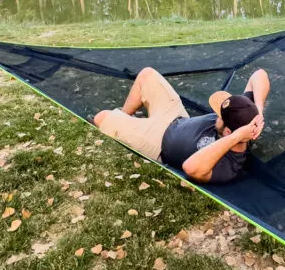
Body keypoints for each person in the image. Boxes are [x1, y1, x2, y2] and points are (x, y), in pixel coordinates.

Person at [93, 67, 269, 184]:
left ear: (229, 131)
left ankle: (129, 124)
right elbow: (259, 75)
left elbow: (191, 168)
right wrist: (258, 110)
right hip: (176, 116)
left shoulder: (229, 165)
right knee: (147, 74)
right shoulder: (245, 116)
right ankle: (126, 117)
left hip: (157, 141)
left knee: (102, 118)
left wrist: (235, 137)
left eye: (220, 117)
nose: (217, 115)